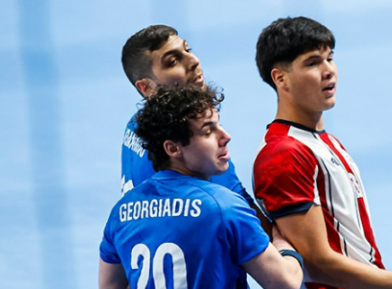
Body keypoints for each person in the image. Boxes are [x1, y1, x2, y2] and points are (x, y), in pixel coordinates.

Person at [252, 17, 392, 289]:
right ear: (280, 78)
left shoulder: (323, 141)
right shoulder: (284, 154)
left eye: (330, 58)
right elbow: (316, 263)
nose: (328, 71)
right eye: (312, 63)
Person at [98, 84, 305, 289]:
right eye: (208, 131)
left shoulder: (120, 213)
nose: (226, 136)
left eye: (219, 125)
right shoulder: (224, 208)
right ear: (173, 148)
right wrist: (285, 246)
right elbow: (286, 283)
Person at [119, 25, 254, 207]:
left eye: (188, 50)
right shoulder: (190, 147)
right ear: (146, 87)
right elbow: (240, 207)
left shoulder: (137, 124)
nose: (194, 61)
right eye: (173, 61)